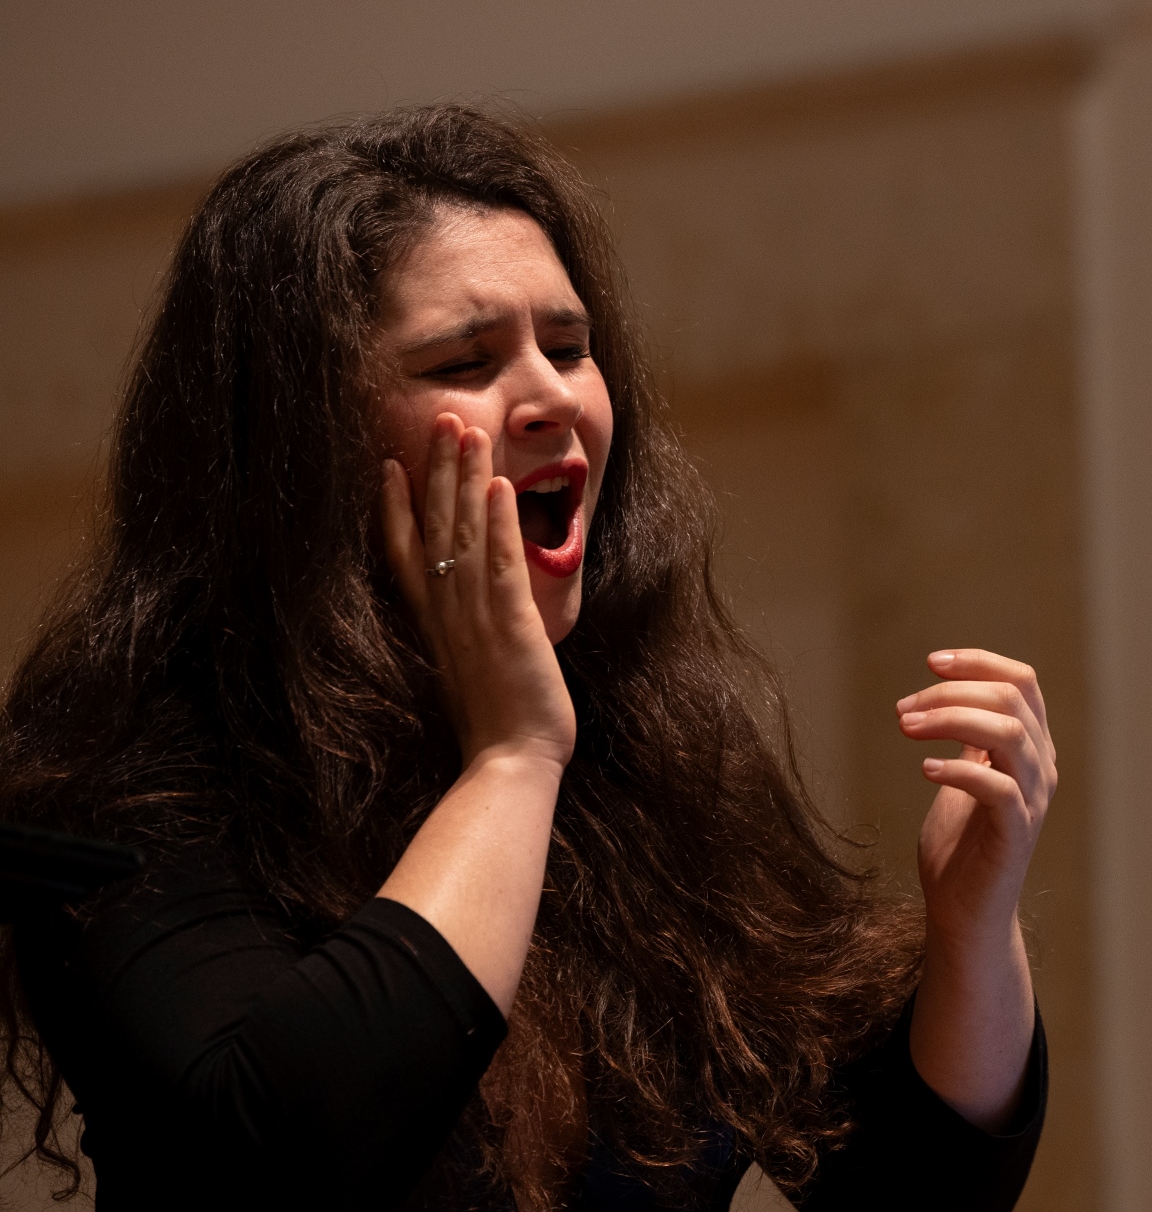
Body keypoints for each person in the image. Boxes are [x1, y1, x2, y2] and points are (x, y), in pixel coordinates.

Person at [0, 105, 1057, 1210]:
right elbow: (271, 1157)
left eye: (568, 346)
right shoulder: (136, 782)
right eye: (465, 361)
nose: (552, 397)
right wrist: (511, 758)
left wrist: (969, 930)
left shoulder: (648, 755)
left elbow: (906, 1193)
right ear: (301, 446)